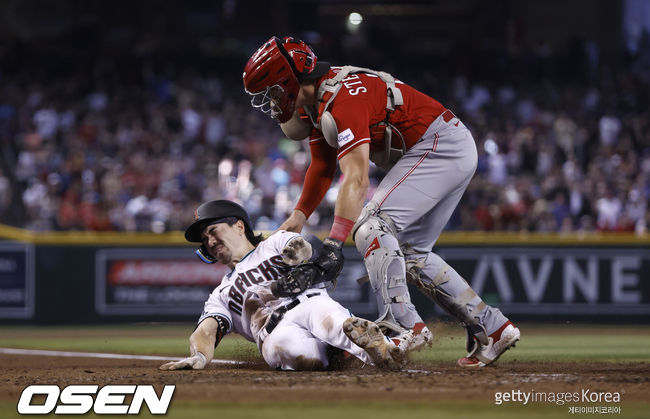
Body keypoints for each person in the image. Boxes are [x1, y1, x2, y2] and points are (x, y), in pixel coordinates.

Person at [242, 36, 520, 367]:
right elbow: (322, 166)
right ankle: (494, 327)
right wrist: (299, 216)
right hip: (445, 146)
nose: (271, 101)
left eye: (272, 90)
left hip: (439, 146)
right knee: (413, 255)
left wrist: (334, 243)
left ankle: (405, 325)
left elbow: (356, 179)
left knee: (371, 226)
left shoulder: (342, 99)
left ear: (289, 81)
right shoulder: (320, 103)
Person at [159, 199, 402, 371]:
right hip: (272, 332)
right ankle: (340, 354)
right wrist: (199, 355)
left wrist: (302, 252)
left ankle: (383, 349)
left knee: (330, 320)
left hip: (310, 303)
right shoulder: (220, 294)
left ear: (239, 226)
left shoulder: (274, 243)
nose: (210, 241)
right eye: (204, 240)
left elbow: (309, 247)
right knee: (292, 351)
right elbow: (206, 331)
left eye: (213, 231)